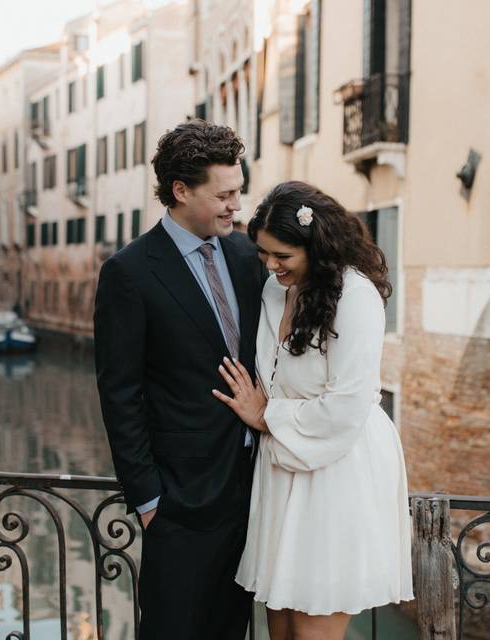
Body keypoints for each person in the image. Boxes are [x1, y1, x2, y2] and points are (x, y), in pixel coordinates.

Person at [213, 181, 414, 640]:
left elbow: (347, 406)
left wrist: (266, 416)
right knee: (280, 627)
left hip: (336, 469)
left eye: (282, 256)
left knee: (312, 630)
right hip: (282, 466)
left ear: (316, 246)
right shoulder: (271, 292)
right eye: (264, 254)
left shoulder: (355, 296)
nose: (270, 265)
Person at [94, 120, 265, 640]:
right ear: (181, 190)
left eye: (239, 191)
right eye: (225, 194)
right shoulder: (129, 272)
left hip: (254, 486)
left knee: (231, 630)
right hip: (178, 501)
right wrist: (148, 501)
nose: (237, 205)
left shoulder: (245, 254)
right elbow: (120, 393)